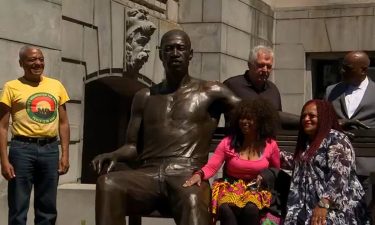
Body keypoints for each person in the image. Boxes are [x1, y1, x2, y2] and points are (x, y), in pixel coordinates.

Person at [91, 29, 240, 225]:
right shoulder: (144, 97)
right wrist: (114, 155)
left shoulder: (210, 91)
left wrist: (295, 120)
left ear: (190, 54)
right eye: (169, 49)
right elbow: (132, 146)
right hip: (148, 174)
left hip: (188, 173)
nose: (175, 53)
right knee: (108, 183)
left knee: (193, 197)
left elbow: (255, 112)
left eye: (180, 48)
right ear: (161, 54)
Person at [0, 46, 70, 225]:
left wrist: (65, 155)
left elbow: (63, 123)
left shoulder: (56, 86)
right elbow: (2, 126)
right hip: (21, 150)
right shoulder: (11, 87)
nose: (38, 63)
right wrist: (4, 160)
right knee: (18, 206)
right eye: (32, 60)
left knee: (47, 208)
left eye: (40, 59)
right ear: (21, 63)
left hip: (50, 150)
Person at [183, 98, 281, 225]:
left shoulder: (270, 145)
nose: (244, 122)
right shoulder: (228, 143)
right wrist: (199, 174)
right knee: (225, 208)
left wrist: (265, 176)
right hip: (230, 187)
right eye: (242, 118)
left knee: (251, 208)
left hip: (257, 188)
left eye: (249, 119)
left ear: (260, 121)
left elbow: (276, 171)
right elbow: (212, 166)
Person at [281, 99, 369, 225]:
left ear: (323, 118)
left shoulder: (337, 140)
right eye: (303, 116)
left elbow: (339, 176)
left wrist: (324, 204)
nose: (306, 119)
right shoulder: (307, 142)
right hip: (307, 204)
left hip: (338, 207)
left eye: (312, 116)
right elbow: (299, 164)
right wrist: (270, 153)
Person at [224, 45, 299, 129]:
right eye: (261, 65)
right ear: (249, 65)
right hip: (237, 140)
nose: (265, 70)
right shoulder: (231, 85)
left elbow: (277, 120)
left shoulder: (273, 89)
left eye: (269, 66)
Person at [325, 51, 375, 130]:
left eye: (348, 68)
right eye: (342, 67)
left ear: (363, 70)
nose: (342, 71)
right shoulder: (331, 91)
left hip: (368, 140)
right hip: (337, 141)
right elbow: (322, 119)